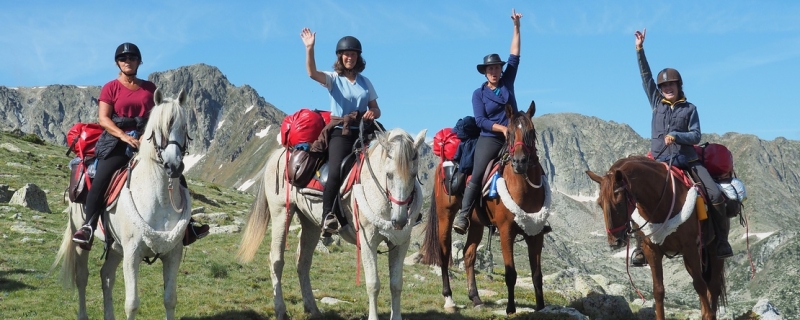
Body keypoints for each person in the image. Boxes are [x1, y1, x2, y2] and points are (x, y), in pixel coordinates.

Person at [72, 43, 209, 250]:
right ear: (118, 62)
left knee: (176, 174)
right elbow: (104, 119)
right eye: (123, 58)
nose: (128, 61)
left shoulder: (150, 88)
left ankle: (188, 226)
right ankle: (89, 226)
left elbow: (157, 119)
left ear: (139, 61)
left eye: (132, 58)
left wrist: (145, 136)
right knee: (102, 177)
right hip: (117, 143)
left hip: (146, 141)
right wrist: (124, 137)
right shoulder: (111, 87)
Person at [630, 28, 732, 265]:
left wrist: (676, 135)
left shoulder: (690, 109)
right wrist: (639, 49)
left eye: (671, 85)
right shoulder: (656, 103)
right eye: (664, 86)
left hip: (687, 162)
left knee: (715, 194)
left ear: (678, 86)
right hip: (658, 161)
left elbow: (696, 135)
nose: (667, 88)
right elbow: (645, 76)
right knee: (634, 197)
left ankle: (721, 241)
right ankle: (640, 248)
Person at [301, 28, 381, 235]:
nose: (349, 57)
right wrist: (310, 48)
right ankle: (328, 214)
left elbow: (376, 108)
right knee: (336, 170)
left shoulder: (366, 82)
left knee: (390, 158)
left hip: (364, 131)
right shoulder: (333, 79)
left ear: (358, 57)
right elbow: (311, 73)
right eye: (346, 54)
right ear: (340, 57)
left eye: (353, 54)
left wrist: (372, 112)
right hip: (341, 132)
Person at [453, 9, 523, 235]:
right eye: (490, 69)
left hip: (513, 136)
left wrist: (516, 27)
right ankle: (464, 215)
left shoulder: (508, 81)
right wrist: (501, 127)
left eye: (497, 68)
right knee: (480, 170)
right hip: (490, 138)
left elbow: (515, 54)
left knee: (530, 162)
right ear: (485, 72)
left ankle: (533, 214)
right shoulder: (478, 94)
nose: (494, 71)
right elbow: (481, 120)